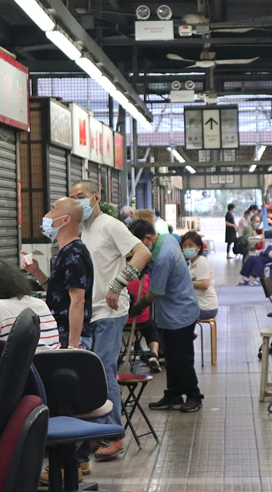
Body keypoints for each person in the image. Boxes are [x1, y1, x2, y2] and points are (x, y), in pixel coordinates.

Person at [72, 179, 152, 460]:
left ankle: (114, 434)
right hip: (86, 313)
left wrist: (118, 285)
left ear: (96, 197)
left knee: (104, 370)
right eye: (72, 198)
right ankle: (94, 432)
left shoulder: (111, 225)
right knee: (88, 375)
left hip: (109, 312)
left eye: (81, 196)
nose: (77, 201)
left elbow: (142, 253)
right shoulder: (79, 230)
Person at [128, 219, 203, 413]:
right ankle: (174, 394)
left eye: (137, 246)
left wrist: (140, 305)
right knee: (171, 356)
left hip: (180, 313)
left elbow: (154, 292)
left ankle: (194, 395)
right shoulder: (168, 239)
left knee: (181, 357)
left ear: (147, 239)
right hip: (176, 310)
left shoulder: (163, 257)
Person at [24, 197, 93, 349]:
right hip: (61, 332)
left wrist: (73, 346)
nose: (47, 215)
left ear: (65, 220)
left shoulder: (73, 254)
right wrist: (36, 272)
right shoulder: (66, 252)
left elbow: (78, 301)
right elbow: (58, 292)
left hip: (70, 335)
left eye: (53, 209)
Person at [126, 269, 162, 372]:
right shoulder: (145, 276)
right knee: (152, 330)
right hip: (142, 318)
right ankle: (154, 354)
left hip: (123, 319)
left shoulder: (119, 273)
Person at [181, 231, 218, 320]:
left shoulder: (201, 261)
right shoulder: (191, 263)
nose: (187, 248)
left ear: (198, 248)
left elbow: (204, 284)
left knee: (174, 314)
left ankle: (187, 334)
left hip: (205, 308)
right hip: (198, 305)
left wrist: (184, 282)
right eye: (185, 245)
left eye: (190, 245)